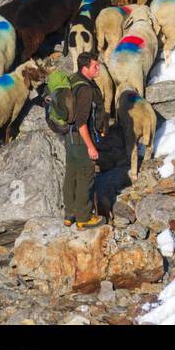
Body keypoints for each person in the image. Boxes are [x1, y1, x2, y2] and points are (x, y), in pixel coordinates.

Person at [63, 53, 105, 229]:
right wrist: (91, 147)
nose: (98, 69)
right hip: (82, 138)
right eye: (95, 66)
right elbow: (81, 121)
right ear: (84, 68)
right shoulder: (86, 89)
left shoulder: (73, 79)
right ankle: (83, 218)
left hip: (69, 137)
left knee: (71, 174)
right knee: (85, 177)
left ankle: (69, 214)